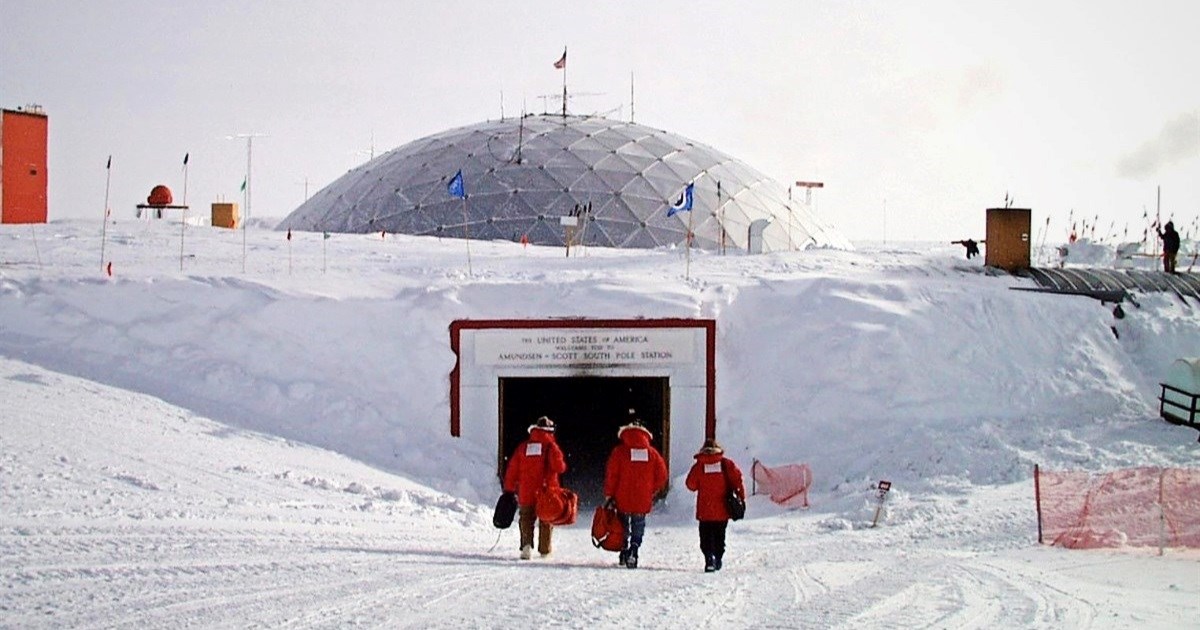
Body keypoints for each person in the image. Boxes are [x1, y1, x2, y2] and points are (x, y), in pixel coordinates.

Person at [603, 419, 667, 569]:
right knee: (638, 524)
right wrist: (651, 489)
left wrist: (609, 493)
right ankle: (634, 549)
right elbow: (662, 475)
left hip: (622, 496)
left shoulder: (619, 452)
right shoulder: (652, 453)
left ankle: (624, 551)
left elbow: (612, 475)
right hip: (642, 497)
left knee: (623, 524)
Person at [502, 415, 567, 560]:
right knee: (546, 519)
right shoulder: (551, 447)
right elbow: (560, 467)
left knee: (526, 518)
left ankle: (526, 547)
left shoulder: (524, 447)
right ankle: (544, 550)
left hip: (526, 490)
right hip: (546, 491)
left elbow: (512, 469)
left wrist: (509, 488)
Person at [685, 438, 745, 572]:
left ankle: (709, 558)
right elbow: (737, 481)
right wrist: (741, 498)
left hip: (705, 510)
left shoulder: (699, 466)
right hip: (723, 509)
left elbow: (690, 485)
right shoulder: (726, 464)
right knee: (719, 536)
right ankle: (717, 557)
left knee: (706, 536)